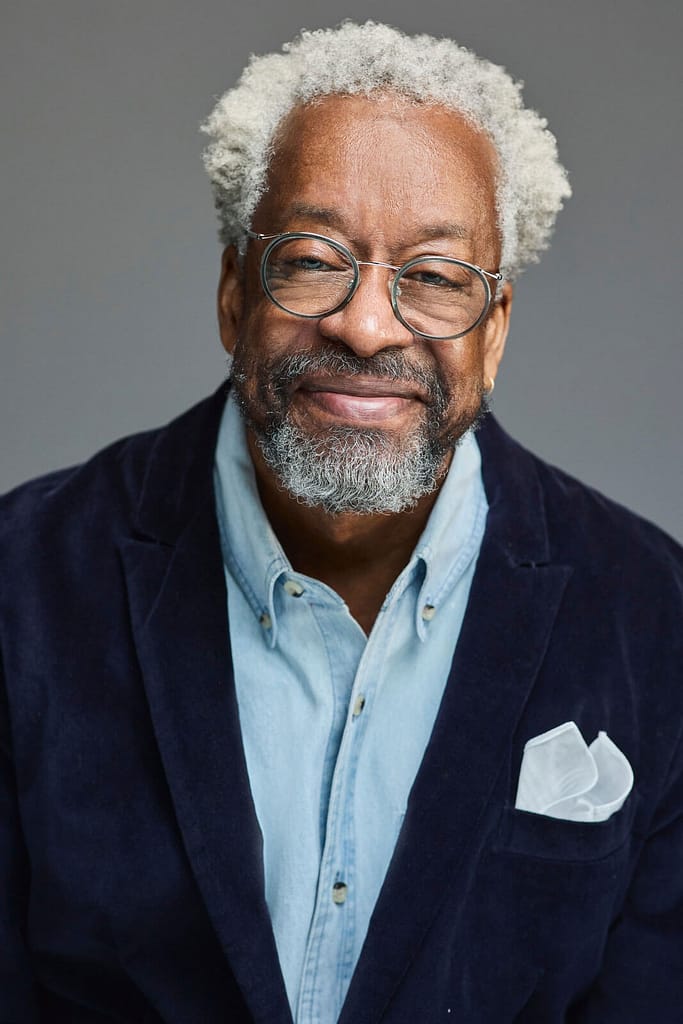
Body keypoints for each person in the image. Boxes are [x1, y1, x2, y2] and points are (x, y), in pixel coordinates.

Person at [1, 20, 682, 1024]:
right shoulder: (22, 583)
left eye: (436, 277)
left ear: (494, 330)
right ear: (234, 292)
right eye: (314, 260)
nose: (366, 326)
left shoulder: (652, 615)